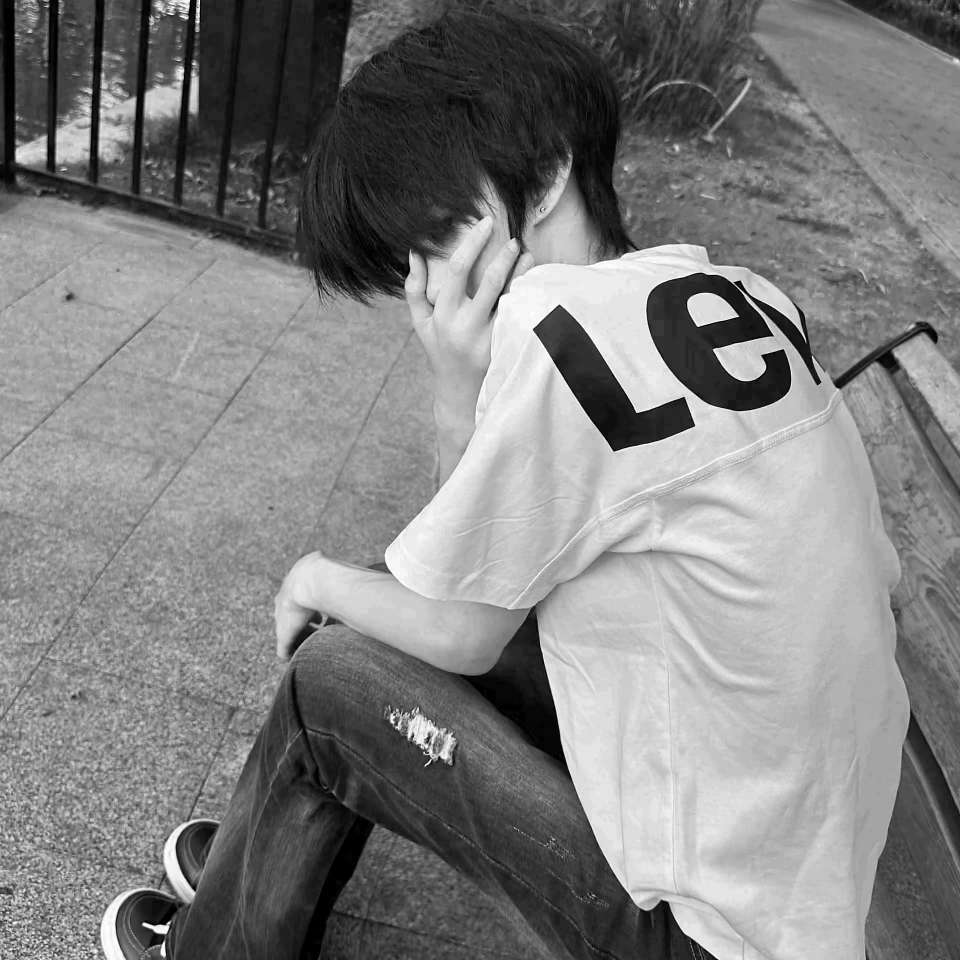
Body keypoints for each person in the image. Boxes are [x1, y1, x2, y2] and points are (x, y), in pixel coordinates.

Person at [99, 7, 911, 960]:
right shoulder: (738, 294)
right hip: (796, 867)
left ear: (549, 173)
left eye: (434, 239)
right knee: (385, 605)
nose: (427, 283)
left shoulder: (561, 334)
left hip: (701, 929)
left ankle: (218, 939)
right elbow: (467, 569)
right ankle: (260, 856)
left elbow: (460, 631)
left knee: (330, 674)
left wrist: (312, 575)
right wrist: (459, 383)